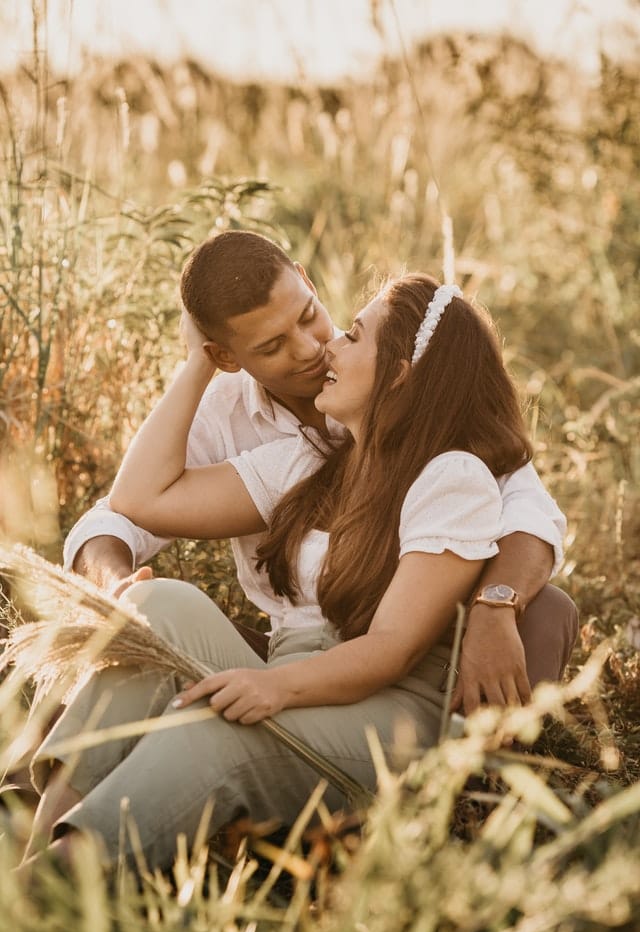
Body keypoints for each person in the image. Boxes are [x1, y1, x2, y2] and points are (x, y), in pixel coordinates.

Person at [27, 275, 569, 871]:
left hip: (388, 716)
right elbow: (137, 500)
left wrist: (498, 604)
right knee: (155, 612)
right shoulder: (315, 458)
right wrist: (197, 363)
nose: (325, 348)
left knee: (218, 728)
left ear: (399, 372)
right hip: (296, 673)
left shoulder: (451, 476)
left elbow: (391, 648)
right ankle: (30, 853)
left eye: (350, 335)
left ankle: (53, 891)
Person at [64, 231, 576, 715]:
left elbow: (529, 511)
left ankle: (483, 778)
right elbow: (122, 511)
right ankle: (43, 784)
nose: (309, 349)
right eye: (270, 347)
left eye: (309, 316)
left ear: (307, 281)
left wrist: (495, 606)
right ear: (225, 355)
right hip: (295, 644)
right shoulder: (226, 419)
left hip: (425, 640)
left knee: (548, 608)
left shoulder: (404, 366)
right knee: (143, 629)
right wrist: (113, 587)